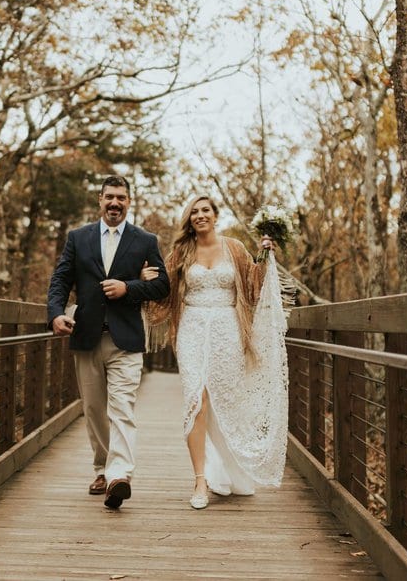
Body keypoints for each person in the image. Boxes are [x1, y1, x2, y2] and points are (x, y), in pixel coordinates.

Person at [143, 195, 288, 510]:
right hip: (192, 328)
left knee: (225, 399)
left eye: (205, 210)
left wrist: (265, 258)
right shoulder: (181, 252)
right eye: (193, 212)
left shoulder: (234, 248)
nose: (199, 215)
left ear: (215, 215)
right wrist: (145, 282)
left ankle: (229, 467)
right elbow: (163, 292)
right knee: (197, 399)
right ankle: (199, 479)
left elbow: (251, 288)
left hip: (227, 330)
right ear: (189, 219)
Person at [46, 175, 170, 509]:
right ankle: (102, 467)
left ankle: (120, 475)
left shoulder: (145, 240)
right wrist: (55, 314)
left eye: (122, 198)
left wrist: (129, 288)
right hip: (86, 335)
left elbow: (162, 286)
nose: (115, 203)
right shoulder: (78, 238)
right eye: (109, 197)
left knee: (122, 409)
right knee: (94, 410)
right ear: (100, 200)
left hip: (125, 339)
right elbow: (60, 280)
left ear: (129, 202)